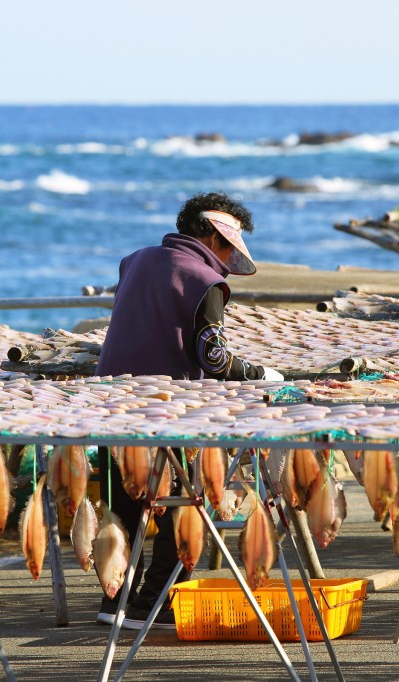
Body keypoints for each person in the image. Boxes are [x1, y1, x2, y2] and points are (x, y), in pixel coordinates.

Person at [94, 192, 283, 631]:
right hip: (165, 410)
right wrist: (257, 373)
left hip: (106, 404)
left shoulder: (135, 260)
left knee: (123, 505)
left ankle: (113, 602)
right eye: (227, 243)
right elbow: (213, 358)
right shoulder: (204, 280)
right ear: (210, 235)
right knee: (181, 503)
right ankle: (154, 606)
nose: (228, 254)